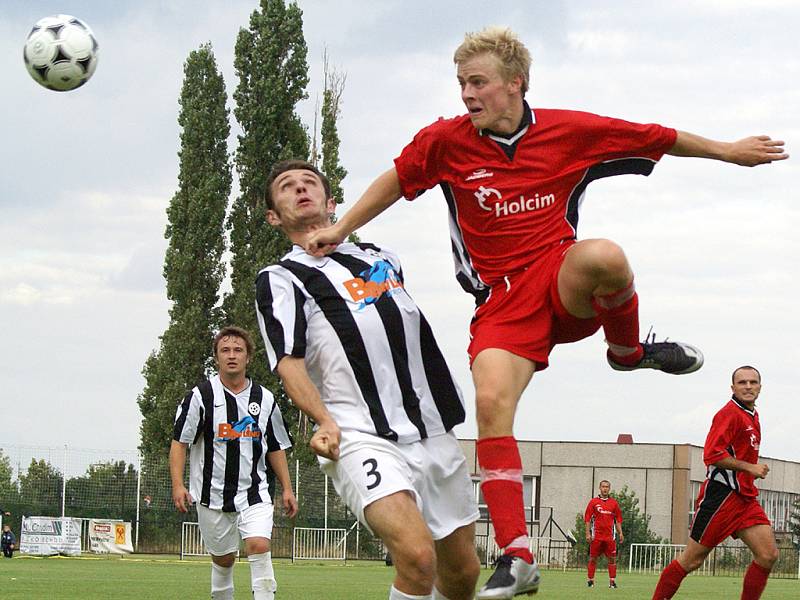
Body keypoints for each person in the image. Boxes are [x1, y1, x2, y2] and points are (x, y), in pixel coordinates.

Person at [304, 26, 788, 599]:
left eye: (477, 81)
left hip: (561, 279)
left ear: (516, 83)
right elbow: (395, 180)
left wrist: (727, 150)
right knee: (489, 404)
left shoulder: (567, 131)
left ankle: (627, 352)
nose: (466, 93)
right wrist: (341, 228)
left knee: (606, 255)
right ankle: (517, 556)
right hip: (500, 305)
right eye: (460, 82)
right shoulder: (445, 142)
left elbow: (655, 135)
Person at [256, 159, 481, 600]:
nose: (301, 189)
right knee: (417, 558)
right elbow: (288, 360)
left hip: (432, 428)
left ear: (332, 201)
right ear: (273, 216)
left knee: (462, 574)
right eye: (287, 187)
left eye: (310, 183)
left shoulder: (381, 257)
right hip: (359, 434)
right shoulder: (282, 278)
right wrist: (323, 419)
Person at [170, 326, 298, 600]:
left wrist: (287, 488)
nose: (232, 355)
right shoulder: (200, 396)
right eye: (225, 350)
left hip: (255, 491)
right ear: (216, 357)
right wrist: (178, 485)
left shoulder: (265, 400)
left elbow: (275, 447)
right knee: (224, 560)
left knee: (258, 544)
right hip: (211, 494)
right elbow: (180, 442)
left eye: (238, 350)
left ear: (248, 357)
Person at [652, 366, 777, 599]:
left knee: (768, 554)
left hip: (745, 498)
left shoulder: (752, 415)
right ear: (733, 387)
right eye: (742, 383)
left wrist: (750, 473)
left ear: (760, 387)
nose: (748, 386)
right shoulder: (728, 414)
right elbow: (711, 454)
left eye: (752, 382)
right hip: (721, 497)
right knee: (692, 560)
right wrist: (750, 468)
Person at [584, 480, 623, 589]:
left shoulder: (614, 503)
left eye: (607, 487)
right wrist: (588, 533)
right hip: (596, 536)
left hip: (610, 537)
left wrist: (620, 533)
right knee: (593, 558)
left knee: (612, 559)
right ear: (599, 488)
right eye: (603, 486)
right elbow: (587, 519)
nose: (605, 489)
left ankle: (612, 582)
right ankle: (590, 581)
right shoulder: (593, 502)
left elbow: (618, 519)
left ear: (609, 488)